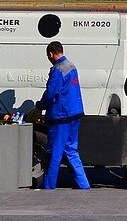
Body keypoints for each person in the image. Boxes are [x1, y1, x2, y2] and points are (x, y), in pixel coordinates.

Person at [36, 41, 90, 189]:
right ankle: (84, 185)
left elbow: (52, 94)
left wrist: (39, 106)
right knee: (71, 151)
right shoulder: (71, 66)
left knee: (54, 154)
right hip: (75, 115)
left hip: (61, 117)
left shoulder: (58, 70)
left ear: (50, 54)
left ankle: (49, 186)